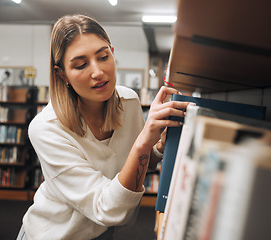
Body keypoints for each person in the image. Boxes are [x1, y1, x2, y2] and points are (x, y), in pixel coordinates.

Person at [17, 14, 190, 240]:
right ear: (62, 75)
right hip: (56, 234)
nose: (98, 72)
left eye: (103, 56)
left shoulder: (128, 102)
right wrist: (144, 142)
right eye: (80, 65)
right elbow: (106, 207)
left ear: (112, 53)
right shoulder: (47, 128)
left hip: (104, 232)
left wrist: (159, 146)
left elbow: (135, 168)